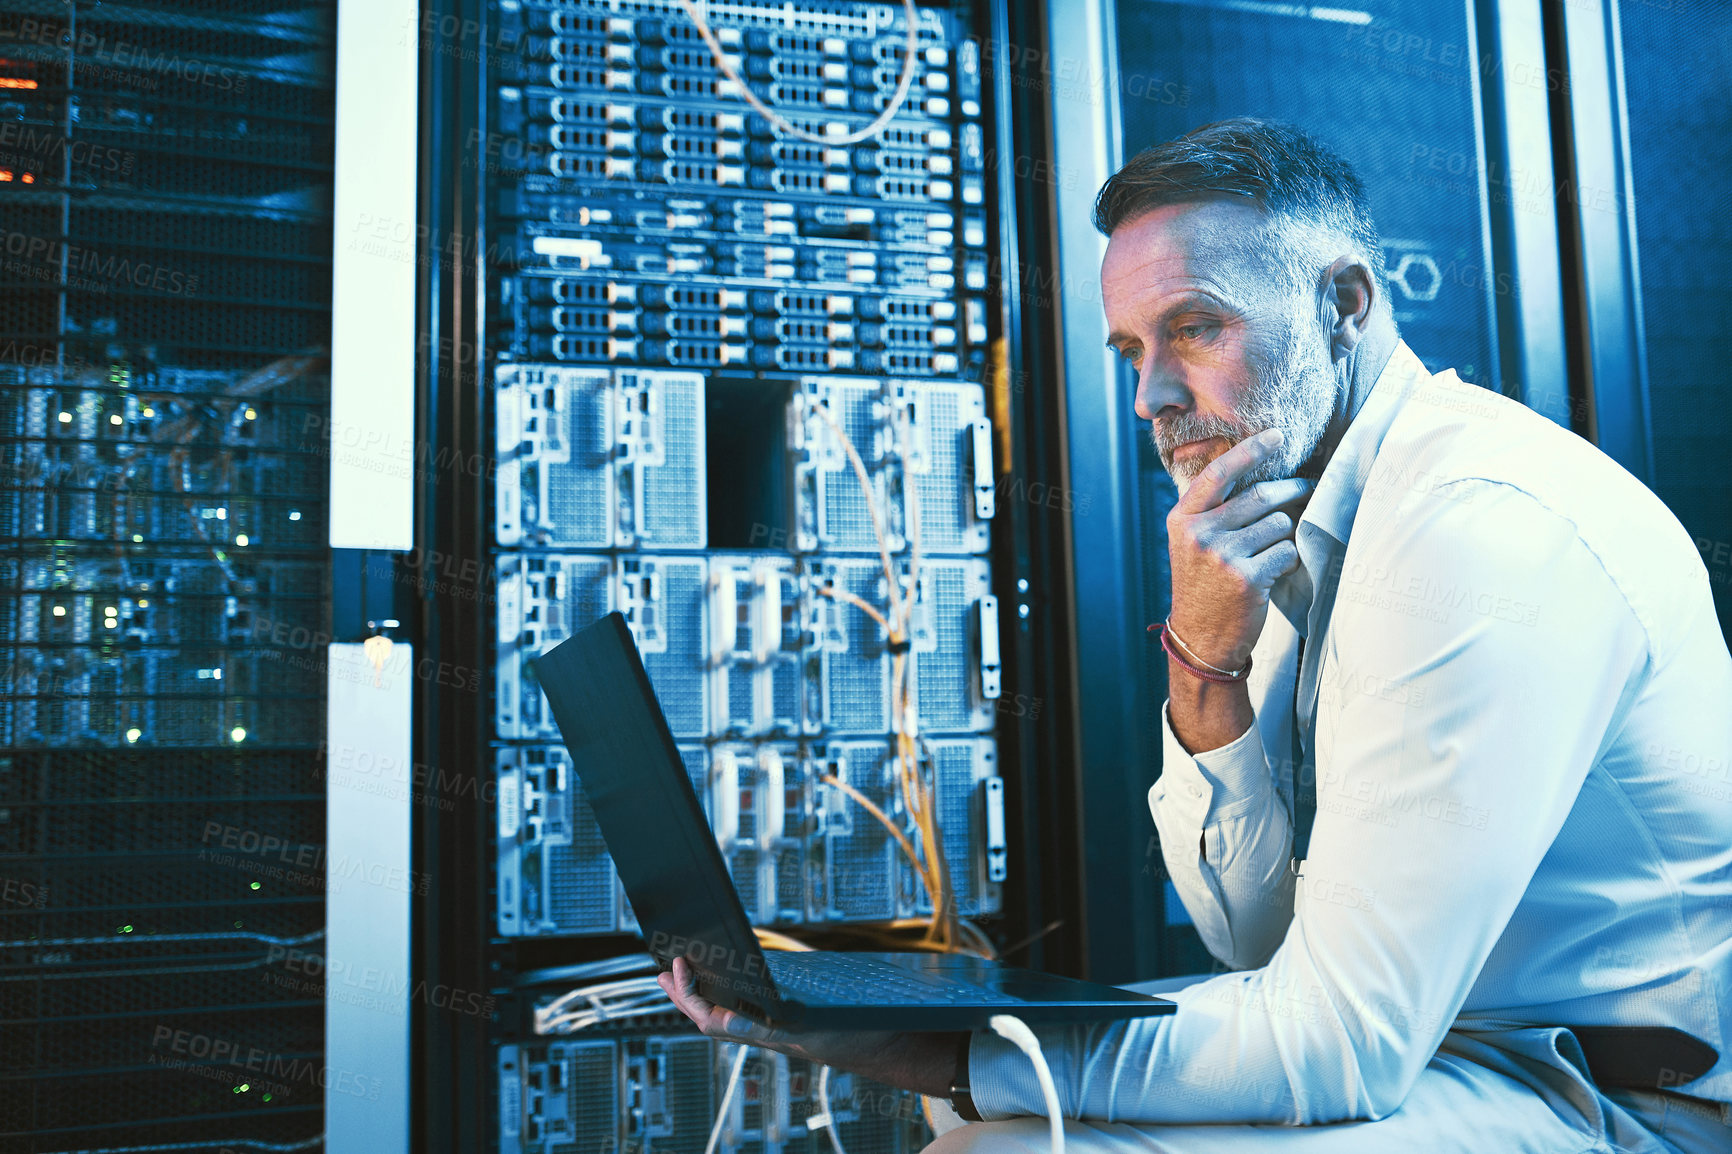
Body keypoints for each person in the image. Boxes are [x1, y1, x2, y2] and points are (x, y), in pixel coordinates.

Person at [660, 118, 1732, 1152]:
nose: (1148, 395)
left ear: (1344, 303)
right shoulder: (1289, 512)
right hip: (1466, 1052)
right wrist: (1205, 658)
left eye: (1194, 327)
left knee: (996, 1138)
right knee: (988, 1114)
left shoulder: (1478, 530)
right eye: (1130, 346)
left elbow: (1336, 1041)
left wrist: (928, 1044)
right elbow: (1254, 940)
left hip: (1629, 1100)